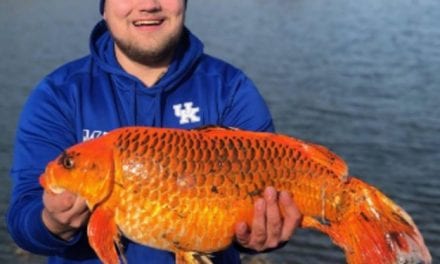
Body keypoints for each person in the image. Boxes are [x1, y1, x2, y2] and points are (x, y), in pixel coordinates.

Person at [7, 0, 302, 263]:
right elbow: (23, 220)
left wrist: (259, 237)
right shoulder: (59, 94)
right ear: (104, 6)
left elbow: (270, 208)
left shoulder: (231, 89)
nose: (148, 4)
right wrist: (52, 222)